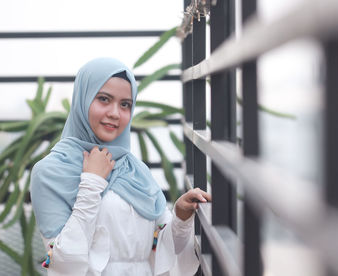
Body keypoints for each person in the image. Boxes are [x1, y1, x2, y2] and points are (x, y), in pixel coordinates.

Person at [30, 57, 210, 276]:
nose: (115, 113)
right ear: (83, 99)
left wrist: (181, 216)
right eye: (104, 99)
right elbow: (64, 263)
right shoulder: (50, 172)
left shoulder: (134, 169)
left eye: (125, 104)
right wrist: (91, 182)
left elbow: (161, 248)